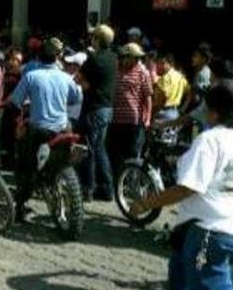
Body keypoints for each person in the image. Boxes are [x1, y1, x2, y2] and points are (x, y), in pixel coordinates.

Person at [130, 79, 233, 290]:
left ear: (214, 112)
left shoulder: (210, 140)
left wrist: (146, 203)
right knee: (180, 276)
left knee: (211, 284)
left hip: (209, 230)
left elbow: (188, 188)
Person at [9, 38, 81, 223]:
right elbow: (75, 99)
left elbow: (16, 101)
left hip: (37, 129)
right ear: (58, 57)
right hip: (62, 129)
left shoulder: (31, 76)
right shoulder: (66, 78)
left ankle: (20, 205)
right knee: (66, 157)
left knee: (25, 167)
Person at [79, 24, 117, 202]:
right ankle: (108, 188)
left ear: (98, 39)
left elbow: (81, 80)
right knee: (100, 149)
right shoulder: (113, 58)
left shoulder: (93, 59)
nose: (91, 39)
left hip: (93, 108)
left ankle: (88, 189)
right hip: (107, 108)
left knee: (89, 150)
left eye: (93, 37)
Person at [109, 43, 152, 174]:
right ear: (126, 56)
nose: (137, 60)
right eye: (135, 57)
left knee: (132, 155)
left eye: (138, 57)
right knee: (115, 155)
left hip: (134, 121)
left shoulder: (143, 71)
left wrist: (148, 117)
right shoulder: (115, 69)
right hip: (115, 120)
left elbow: (148, 96)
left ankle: (130, 184)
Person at [153, 52, 190, 121]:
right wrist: (183, 109)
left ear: (170, 64)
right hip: (176, 113)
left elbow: (162, 98)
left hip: (163, 113)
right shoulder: (180, 77)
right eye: (158, 63)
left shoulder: (165, 78)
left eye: (162, 63)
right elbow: (189, 94)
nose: (159, 66)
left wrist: (155, 112)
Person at [63, 51, 87, 131]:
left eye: (75, 64)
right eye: (71, 64)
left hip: (74, 117)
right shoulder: (69, 77)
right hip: (66, 116)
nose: (71, 66)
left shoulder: (84, 83)